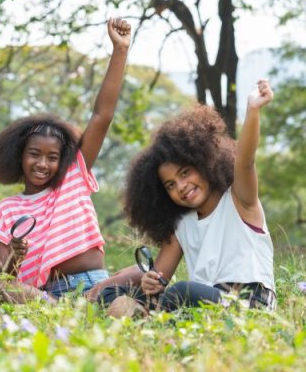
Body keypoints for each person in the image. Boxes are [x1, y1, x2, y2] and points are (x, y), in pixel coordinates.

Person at [0, 18, 131, 303]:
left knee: (137, 272)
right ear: (19, 155)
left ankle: (101, 303)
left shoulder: (73, 176)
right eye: (35, 154)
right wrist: (15, 255)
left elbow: (103, 115)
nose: (43, 164)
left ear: (63, 161)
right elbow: (0, 278)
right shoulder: (6, 209)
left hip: (92, 286)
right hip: (41, 296)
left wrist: (120, 51)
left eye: (52, 157)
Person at [89, 80, 276, 317]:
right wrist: (150, 281)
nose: (182, 187)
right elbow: (159, 277)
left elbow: (245, 161)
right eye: (170, 185)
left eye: (185, 173)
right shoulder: (181, 224)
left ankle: (149, 320)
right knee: (111, 293)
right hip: (200, 304)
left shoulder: (240, 199)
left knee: (183, 291)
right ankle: (146, 319)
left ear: (204, 161)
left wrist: (253, 110)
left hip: (247, 304)